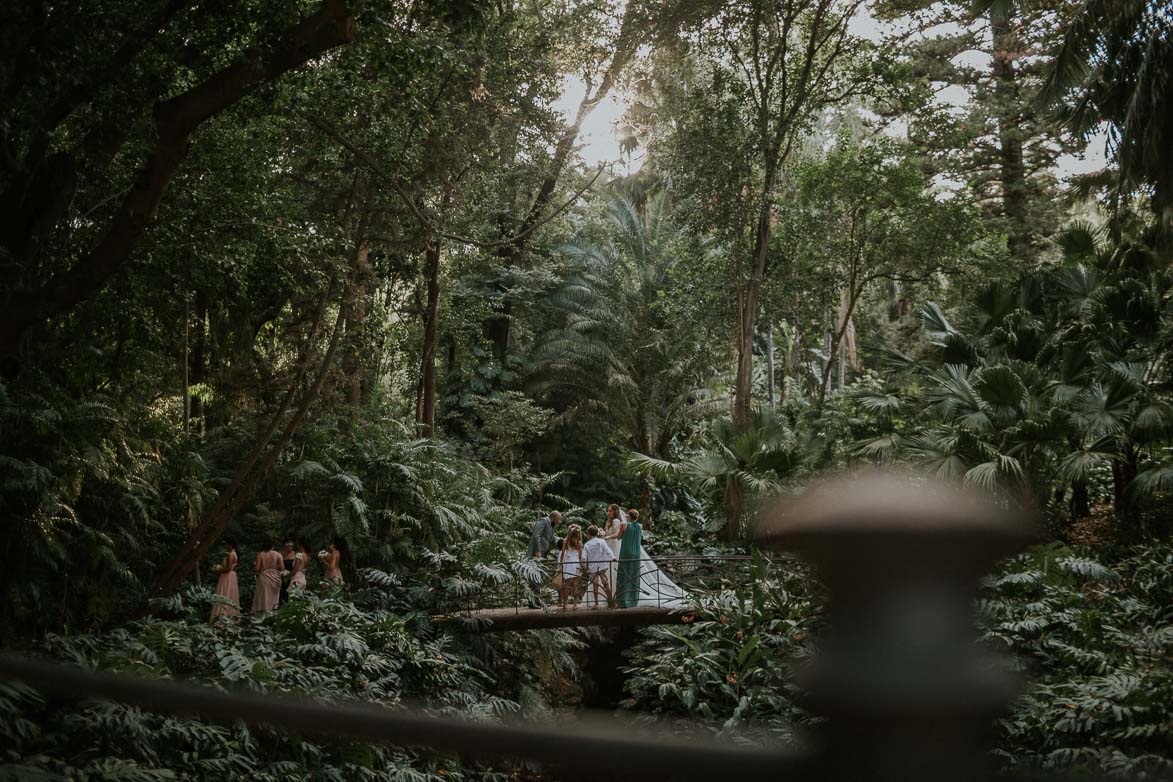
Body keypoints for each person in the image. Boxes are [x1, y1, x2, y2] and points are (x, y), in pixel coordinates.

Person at [525, 510, 560, 608]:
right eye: (558, 519)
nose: (559, 522)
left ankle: (537, 600)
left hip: (542, 555)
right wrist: (537, 551)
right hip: (535, 554)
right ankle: (532, 602)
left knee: (537, 579)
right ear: (554, 517)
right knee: (533, 579)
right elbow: (536, 536)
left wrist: (562, 542)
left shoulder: (551, 525)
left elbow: (551, 538)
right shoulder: (543, 521)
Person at [582, 524, 616, 609]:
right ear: (597, 533)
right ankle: (610, 600)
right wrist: (613, 557)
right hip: (601, 566)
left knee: (595, 585)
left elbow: (583, 557)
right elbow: (607, 550)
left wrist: (584, 564)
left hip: (593, 567)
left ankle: (597, 603)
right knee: (605, 583)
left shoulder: (587, 544)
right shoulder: (601, 541)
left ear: (589, 534)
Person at [616, 509, 642, 608]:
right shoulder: (640, 526)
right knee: (634, 575)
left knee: (624, 575)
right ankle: (633, 601)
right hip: (636, 553)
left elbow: (618, 537)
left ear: (629, 516)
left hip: (626, 551)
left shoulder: (624, 525)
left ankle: (622, 601)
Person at [210, 538, 240, 622]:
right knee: (229, 595)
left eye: (227, 544)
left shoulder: (230, 554)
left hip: (227, 576)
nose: (226, 546)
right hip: (232, 576)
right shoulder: (234, 553)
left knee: (224, 593)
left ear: (231, 545)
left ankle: (221, 617)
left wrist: (217, 570)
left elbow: (228, 569)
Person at [252, 542, 283, 612]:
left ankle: (262, 613)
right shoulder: (278, 555)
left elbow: (257, 568)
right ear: (273, 546)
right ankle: (272, 612)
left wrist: (254, 565)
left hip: (263, 577)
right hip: (275, 578)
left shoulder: (260, 555)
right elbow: (282, 568)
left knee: (263, 597)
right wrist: (274, 569)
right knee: (273, 598)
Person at [558, 525, 583, 610]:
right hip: (576, 563)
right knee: (575, 584)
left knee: (567, 584)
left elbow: (562, 554)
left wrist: (561, 564)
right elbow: (580, 556)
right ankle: (575, 604)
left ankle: (565, 603)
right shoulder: (579, 542)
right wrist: (582, 565)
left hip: (567, 563)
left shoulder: (565, 541)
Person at [279, 538, 297, 605]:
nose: (289, 544)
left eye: (291, 542)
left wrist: (290, 575)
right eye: (287, 542)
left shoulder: (295, 554)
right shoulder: (280, 554)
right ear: (284, 544)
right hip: (282, 576)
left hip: (293, 576)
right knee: (282, 592)